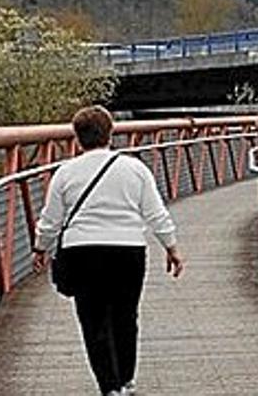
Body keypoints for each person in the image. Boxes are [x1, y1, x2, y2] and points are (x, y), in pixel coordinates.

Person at [32, 105, 185, 396]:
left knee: (92, 320)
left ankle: (109, 386)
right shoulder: (135, 168)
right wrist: (171, 246)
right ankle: (126, 380)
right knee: (125, 316)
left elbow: (50, 220)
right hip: (128, 250)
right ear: (111, 133)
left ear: (77, 138)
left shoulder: (65, 173)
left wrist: (41, 247)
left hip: (82, 252)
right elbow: (156, 214)